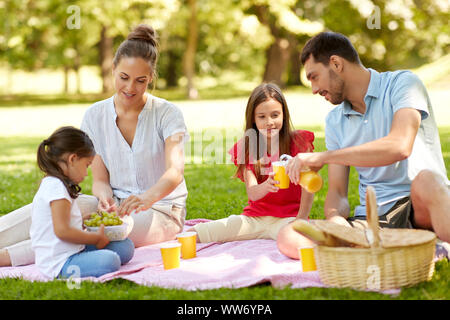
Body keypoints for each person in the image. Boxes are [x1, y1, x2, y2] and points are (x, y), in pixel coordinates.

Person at [0, 24, 189, 267]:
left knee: (92, 227)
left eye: (140, 80)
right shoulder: (94, 116)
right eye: (124, 78)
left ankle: (5, 259)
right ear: (112, 69)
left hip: (161, 211)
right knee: (52, 208)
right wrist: (104, 198)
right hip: (115, 206)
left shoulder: (168, 114)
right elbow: (100, 180)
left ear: (151, 78)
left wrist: (146, 198)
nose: (130, 88)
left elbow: (174, 172)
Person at [277, 31, 450, 259]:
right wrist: (336, 221)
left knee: (428, 180)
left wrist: (323, 157)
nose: (313, 89)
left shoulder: (403, 84)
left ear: (336, 64)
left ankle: (428, 242)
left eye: (314, 76)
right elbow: (338, 193)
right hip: (371, 221)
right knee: (289, 234)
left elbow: (399, 146)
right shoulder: (335, 120)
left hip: (419, 209)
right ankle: (360, 250)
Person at [190, 83, 317, 245]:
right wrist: (268, 185)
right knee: (199, 233)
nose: (269, 122)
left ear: (284, 115)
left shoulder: (299, 142)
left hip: (288, 219)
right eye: (262, 117)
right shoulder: (248, 147)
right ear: (253, 119)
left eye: (275, 115)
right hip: (253, 219)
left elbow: (309, 186)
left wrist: (301, 219)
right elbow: (253, 193)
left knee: (302, 241)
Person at [31, 126, 134, 279]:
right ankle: (67, 273)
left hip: (73, 249)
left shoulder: (57, 184)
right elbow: (62, 231)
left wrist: (86, 220)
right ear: (73, 159)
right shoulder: (56, 187)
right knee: (110, 261)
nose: (86, 174)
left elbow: (63, 223)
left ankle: (91, 258)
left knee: (125, 247)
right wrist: (95, 239)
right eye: (87, 165)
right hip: (60, 263)